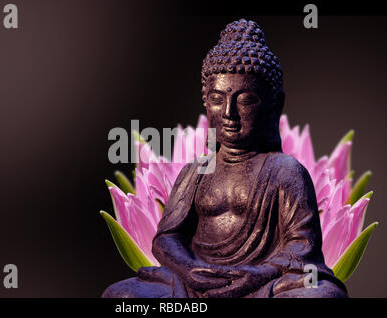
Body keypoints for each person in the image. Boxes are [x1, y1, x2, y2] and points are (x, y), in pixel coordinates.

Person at [102, 19, 348, 298]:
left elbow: (302, 245)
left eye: (245, 100)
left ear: (274, 104)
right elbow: (166, 238)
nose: (229, 112)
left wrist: (258, 274)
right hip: (194, 285)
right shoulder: (197, 170)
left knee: (323, 295)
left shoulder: (285, 170)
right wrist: (189, 270)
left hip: (262, 285)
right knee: (121, 296)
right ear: (206, 102)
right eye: (218, 98)